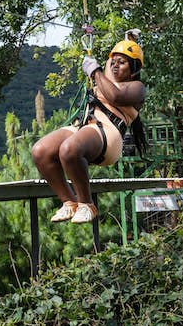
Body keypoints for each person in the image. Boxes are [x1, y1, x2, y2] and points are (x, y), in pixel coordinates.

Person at [31, 34, 147, 224]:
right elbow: (109, 68)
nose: (115, 66)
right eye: (113, 62)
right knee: (40, 151)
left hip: (108, 134)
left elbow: (116, 97)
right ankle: (69, 202)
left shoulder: (137, 88)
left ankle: (87, 204)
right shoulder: (105, 76)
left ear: (133, 70)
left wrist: (95, 71)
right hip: (85, 124)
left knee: (69, 149)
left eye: (123, 63)